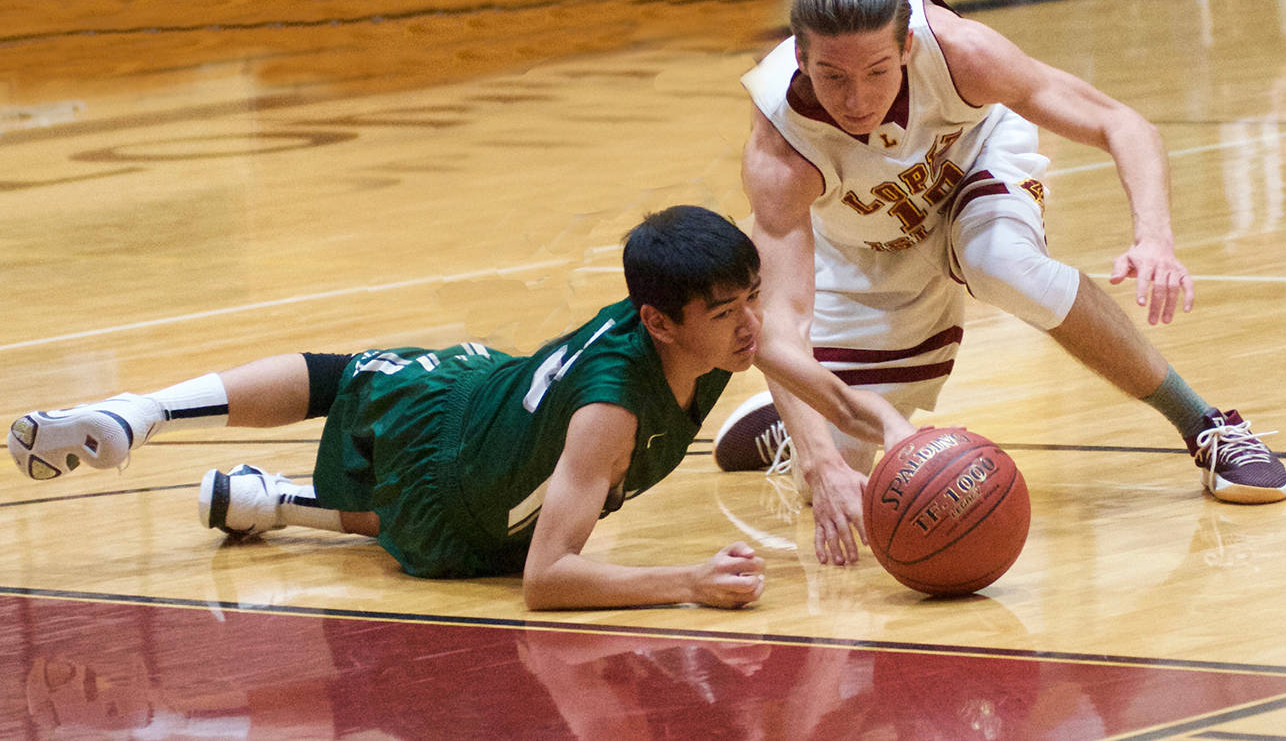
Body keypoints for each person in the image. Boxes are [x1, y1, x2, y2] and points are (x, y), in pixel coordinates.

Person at [8, 205, 913, 609]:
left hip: (487, 416)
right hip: (458, 463)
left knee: (354, 378)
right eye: (729, 311)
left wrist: (904, 435)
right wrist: (685, 585)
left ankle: (238, 476)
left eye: (753, 297)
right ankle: (164, 427)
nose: (754, 322)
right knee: (357, 391)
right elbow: (548, 582)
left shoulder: (711, 325)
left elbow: (810, 377)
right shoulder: (613, 413)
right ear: (660, 322)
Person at [738, 0, 1286, 567]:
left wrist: (1155, 240)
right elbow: (778, 324)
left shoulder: (962, 52)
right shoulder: (781, 148)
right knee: (834, 482)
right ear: (801, 57)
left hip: (974, 166)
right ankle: (804, 428)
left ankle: (1206, 424)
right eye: (834, 77)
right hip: (873, 239)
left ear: (908, 46)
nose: (857, 99)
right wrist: (825, 464)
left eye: (878, 71)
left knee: (1002, 262)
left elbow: (1122, 123)